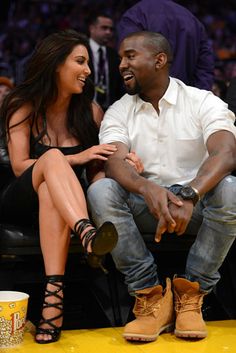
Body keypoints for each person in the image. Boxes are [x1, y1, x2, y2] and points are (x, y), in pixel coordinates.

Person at [87, 31, 236, 343]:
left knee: (231, 189)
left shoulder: (202, 101)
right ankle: (150, 296)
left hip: (196, 207)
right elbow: (113, 162)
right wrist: (147, 189)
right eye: (120, 58)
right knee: (101, 191)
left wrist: (191, 193)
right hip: (147, 207)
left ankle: (191, 294)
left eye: (129, 56)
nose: (121, 64)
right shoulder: (118, 110)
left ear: (159, 60)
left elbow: (226, 153)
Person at [0, 29, 121, 344]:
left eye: (88, 63)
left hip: (60, 205)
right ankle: (86, 232)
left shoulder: (90, 112)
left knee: (51, 192)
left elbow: (99, 165)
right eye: (80, 61)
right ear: (56, 64)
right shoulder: (22, 104)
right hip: (20, 201)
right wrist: (77, 156)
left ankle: (52, 305)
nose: (88, 71)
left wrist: (124, 161)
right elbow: (19, 164)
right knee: (52, 159)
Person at [117, 0, 214, 90]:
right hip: (184, 98)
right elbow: (205, 68)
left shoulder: (135, 15)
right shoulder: (193, 20)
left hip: (147, 99)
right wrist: (197, 99)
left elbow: (128, 59)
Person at [87, 12, 124, 111]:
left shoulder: (114, 55)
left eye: (111, 29)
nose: (108, 32)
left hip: (109, 110)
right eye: (104, 28)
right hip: (84, 109)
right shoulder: (81, 50)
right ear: (92, 28)